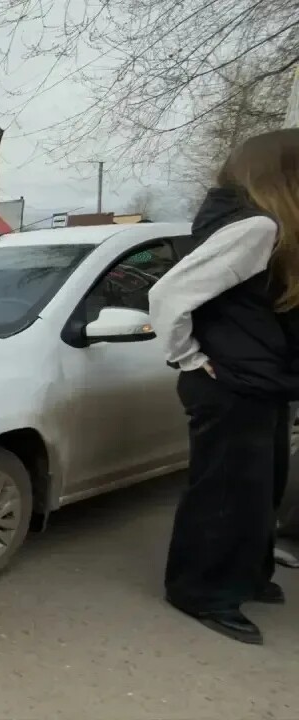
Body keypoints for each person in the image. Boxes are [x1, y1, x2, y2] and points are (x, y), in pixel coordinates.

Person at [148, 128, 299, 646]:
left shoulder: (264, 224)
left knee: (260, 490)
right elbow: (167, 294)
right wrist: (190, 360)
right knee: (223, 496)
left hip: (260, 382)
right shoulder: (255, 227)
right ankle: (201, 591)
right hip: (230, 384)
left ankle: (248, 576)